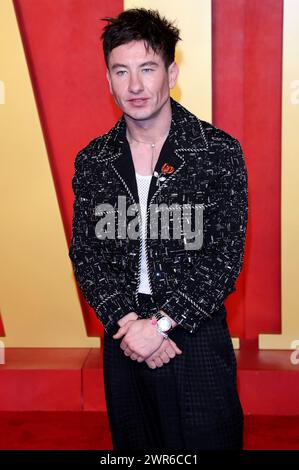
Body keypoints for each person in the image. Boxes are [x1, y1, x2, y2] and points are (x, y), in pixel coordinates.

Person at [69, 8, 248, 451]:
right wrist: (133, 325)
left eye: (147, 69)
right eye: (121, 71)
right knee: (137, 450)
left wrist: (162, 325)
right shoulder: (93, 161)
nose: (134, 85)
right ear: (107, 78)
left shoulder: (217, 152)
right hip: (124, 333)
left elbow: (224, 258)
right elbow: (87, 256)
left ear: (171, 74)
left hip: (195, 330)